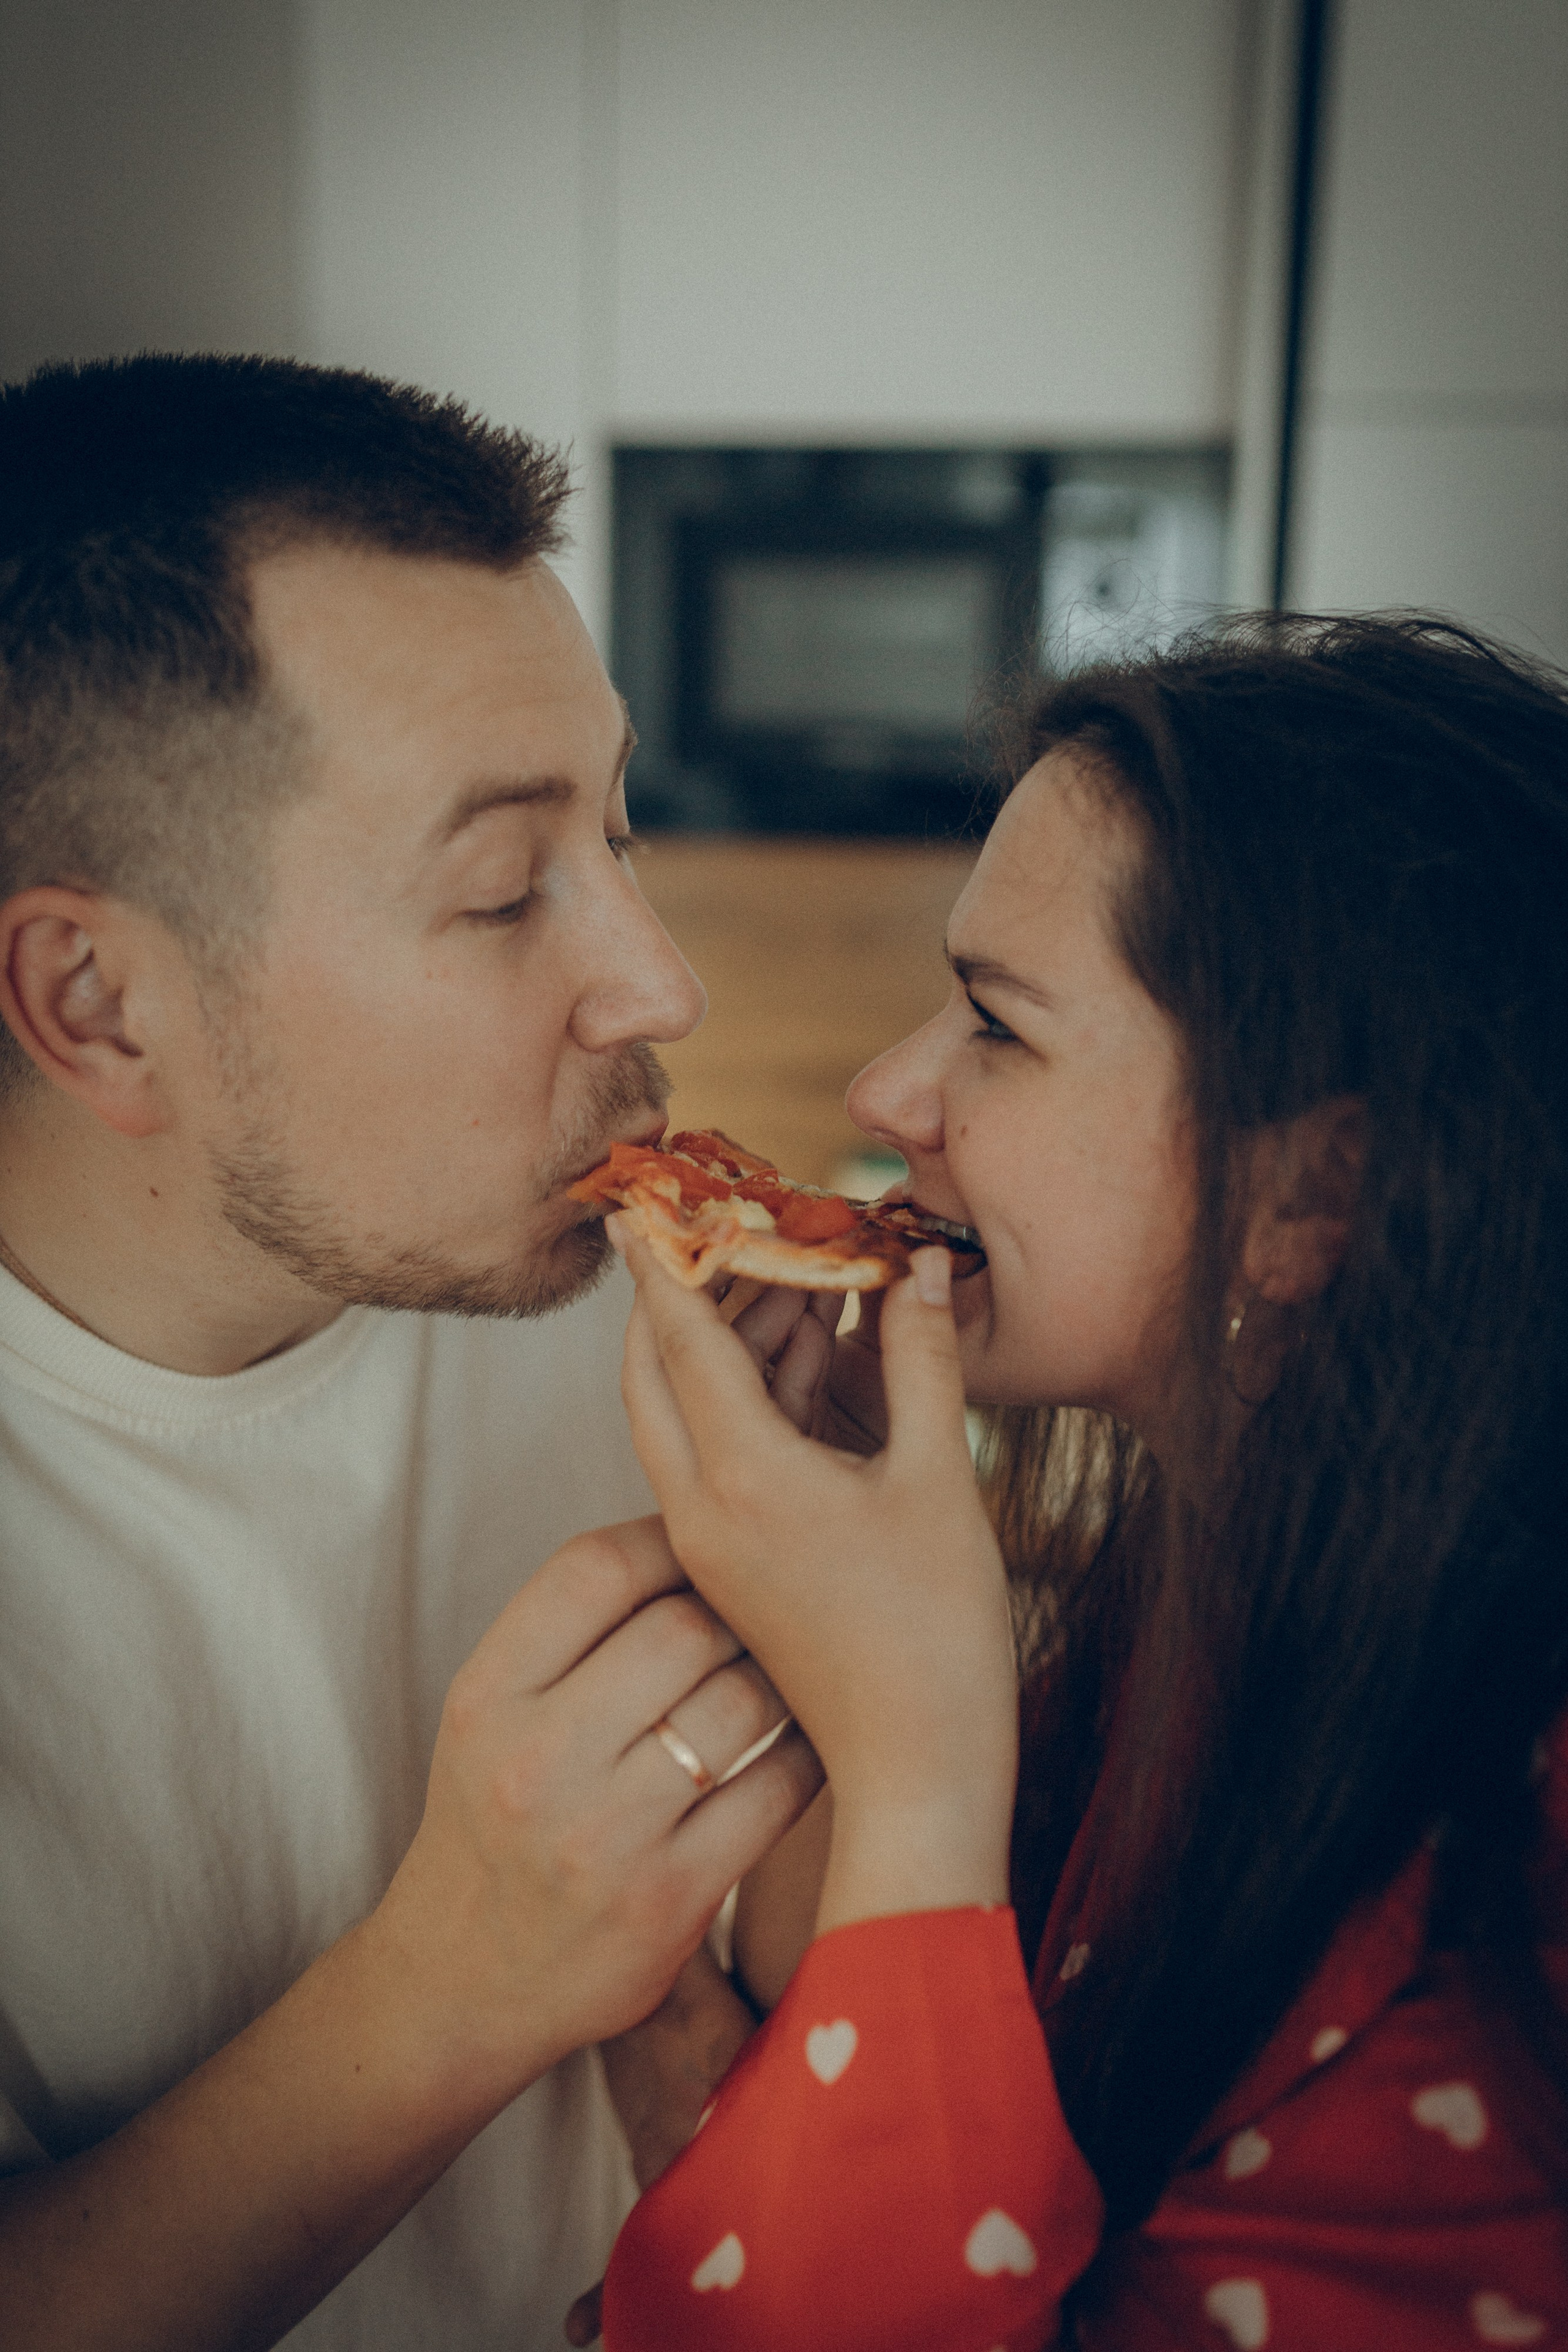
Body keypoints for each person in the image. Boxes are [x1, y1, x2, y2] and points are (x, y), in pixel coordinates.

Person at [594, 616, 1568, 2348]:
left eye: (996, 1024)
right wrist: (839, 1622)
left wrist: (917, 1745)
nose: (887, 1090)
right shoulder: (1211, 1588)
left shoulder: (1505, 1909)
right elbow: (897, 2027)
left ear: (1310, 1200)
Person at [0, 353, 820, 2350]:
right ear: (99, 1004)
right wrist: (465, 1978)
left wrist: (841, 1611)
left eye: (619, 827)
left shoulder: (602, 1288)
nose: (659, 982)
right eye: (504, 889)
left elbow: (790, 1948)